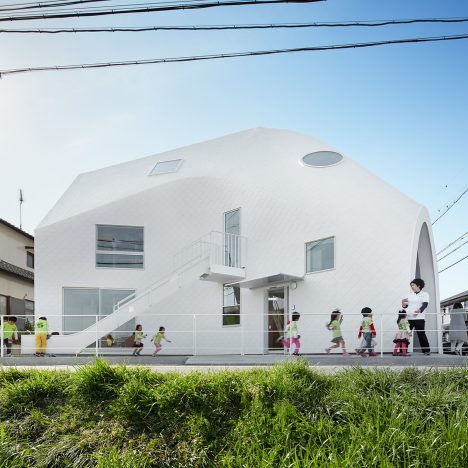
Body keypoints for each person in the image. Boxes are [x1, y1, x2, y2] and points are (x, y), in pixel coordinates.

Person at [402, 278, 431, 355]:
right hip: (409, 317)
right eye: (411, 285)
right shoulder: (409, 295)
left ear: (419, 285)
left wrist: (419, 310)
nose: (411, 287)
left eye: (413, 285)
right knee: (406, 334)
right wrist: (403, 303)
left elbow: (425, 305)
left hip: (419, 318)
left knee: (421, 334)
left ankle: (426, 351)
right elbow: (405, 306)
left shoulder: (425, 294)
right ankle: (403, 351)